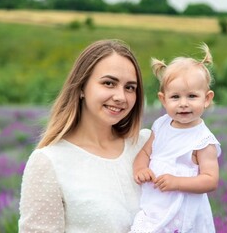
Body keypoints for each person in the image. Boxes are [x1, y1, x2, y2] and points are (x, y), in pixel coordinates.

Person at [18, 39, 151, 232]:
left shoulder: (146, 145)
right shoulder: (50, 162)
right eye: (109, 83)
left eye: (130, 87)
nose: (121, 97)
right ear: (81, 87)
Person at [130, 43, 221, 233]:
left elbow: (210, 180)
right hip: (157, 204)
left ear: (207, 98)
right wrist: (140, 168)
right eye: (175, 97)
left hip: (185, 210)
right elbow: (146, 152)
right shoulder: (161, 125)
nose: (183, 104)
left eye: (192, 96)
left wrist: (177, 182)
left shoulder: (203, 140)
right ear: (163, 100)